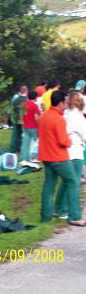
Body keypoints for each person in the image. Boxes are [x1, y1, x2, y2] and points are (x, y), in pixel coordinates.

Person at [38, 90, 86, 226]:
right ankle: (75, 216)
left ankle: (46, 217)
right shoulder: (58, 119)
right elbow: (64, 141)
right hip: (59, 157)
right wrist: (70, 142)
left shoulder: (44, 116)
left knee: (49, 186)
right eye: (65, 102)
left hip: (46, 156)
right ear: (60, 103)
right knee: (72, 182)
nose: (66, 104)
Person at [54, 90, 86, 222]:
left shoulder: (65, 114)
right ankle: (68, 211)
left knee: (65, 182)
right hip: (76, 151)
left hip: (65, 152)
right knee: (73, 182)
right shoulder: (78, 117)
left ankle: (59, 207)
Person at [20, 90, 40, 161]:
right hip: (33, 127)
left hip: (25, 126)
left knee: (25, 143)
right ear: (35, 97)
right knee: (34, 143)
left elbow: (21, 116)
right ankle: (33, 157)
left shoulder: (23, 105)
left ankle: (24, 158)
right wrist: (39, 124)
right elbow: (36, 117)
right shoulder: (35, 106)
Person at [9, 85, 28, 153]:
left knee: (15, 135)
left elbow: (12, 110)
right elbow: (25, 112)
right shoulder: (26, 100)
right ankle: (20, 148)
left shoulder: (16, 99)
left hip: (15, 119)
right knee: (23, 135)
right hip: (23, 120)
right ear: (26, 91)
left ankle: (13, 148)